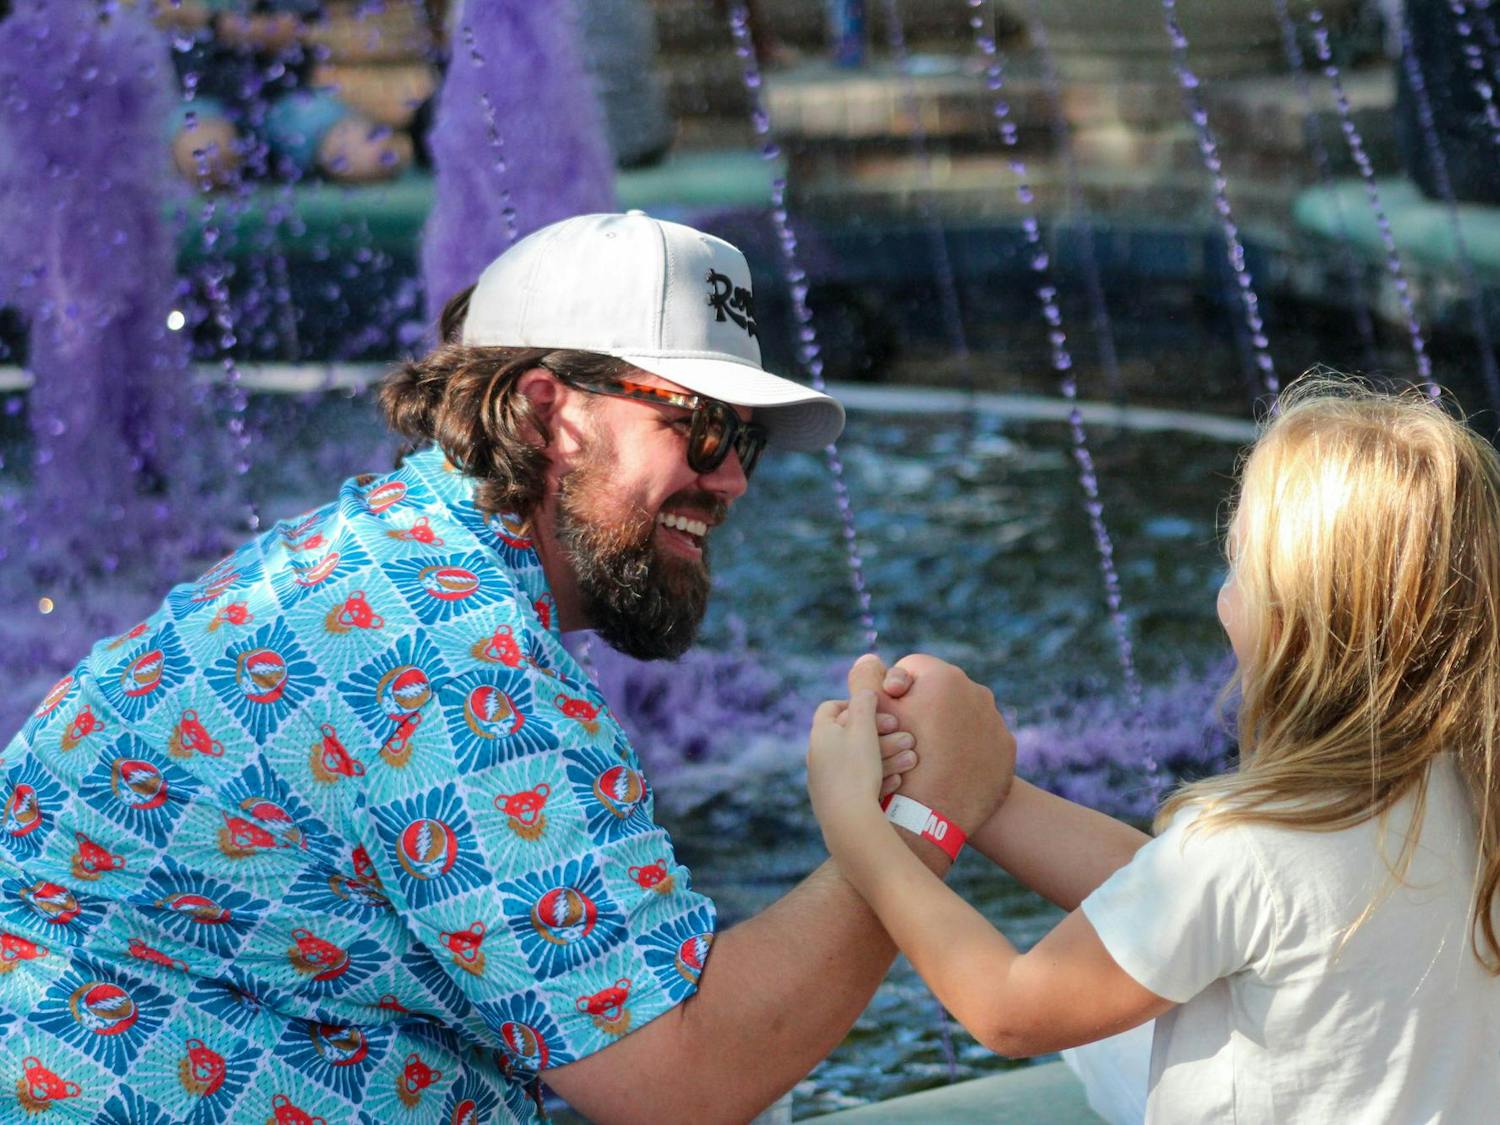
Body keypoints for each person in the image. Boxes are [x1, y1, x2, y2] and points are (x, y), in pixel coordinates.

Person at [0, 211, 1013, 1122]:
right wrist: (920, 821)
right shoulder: (455, 660)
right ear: (546, 413)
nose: (734, 476)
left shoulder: (389, 557)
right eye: (700, 427)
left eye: (745, 437)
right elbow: (682, 1083)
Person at [808, 378, 1500, 1121]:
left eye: (1237, 563)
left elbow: (1010, 1007)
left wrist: (859, 830)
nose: (1221, 596)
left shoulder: (1252, 845)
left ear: (1295, 618)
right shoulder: (1468, 797)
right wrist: (989, 795)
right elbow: (1173, 894)